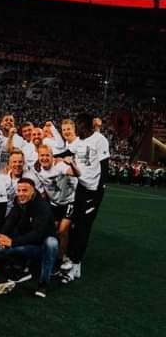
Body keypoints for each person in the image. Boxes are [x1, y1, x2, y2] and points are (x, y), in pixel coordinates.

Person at [0, 177, 60, 298]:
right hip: (29, 244)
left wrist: (13, 242)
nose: (21, 194)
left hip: (43, 245)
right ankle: (21, 267)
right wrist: (2, 237)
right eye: (19, 190)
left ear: (33, 191)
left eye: (25, 190)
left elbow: (38, 234)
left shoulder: (43, 207)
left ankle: (43, 284)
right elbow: (10, 220)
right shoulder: (19, 201)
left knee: (52, 243)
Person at [63, 113, 110, 280]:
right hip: (80, 188)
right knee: (74, 226)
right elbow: (66, 152)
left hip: (93, 191)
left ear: (87, 125)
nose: (77, 128)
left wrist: (98, 193)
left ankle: (76, 265)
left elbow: (104, 167)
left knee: (83, 228)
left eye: (79, 124)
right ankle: (71, 259)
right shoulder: (79, 141)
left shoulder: (100, 139)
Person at [32, 144, 78, 266]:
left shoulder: (59, 165)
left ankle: (60, 258)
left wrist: (71, 164)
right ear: (38, 157)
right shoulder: (37, 170)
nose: (44, 158)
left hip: (69, 201)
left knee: (62, 231)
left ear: (52, 156)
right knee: (51, 230)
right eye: (42, 155)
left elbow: (76, 173)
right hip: (54, 203)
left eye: (47, 155)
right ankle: (51, 253)